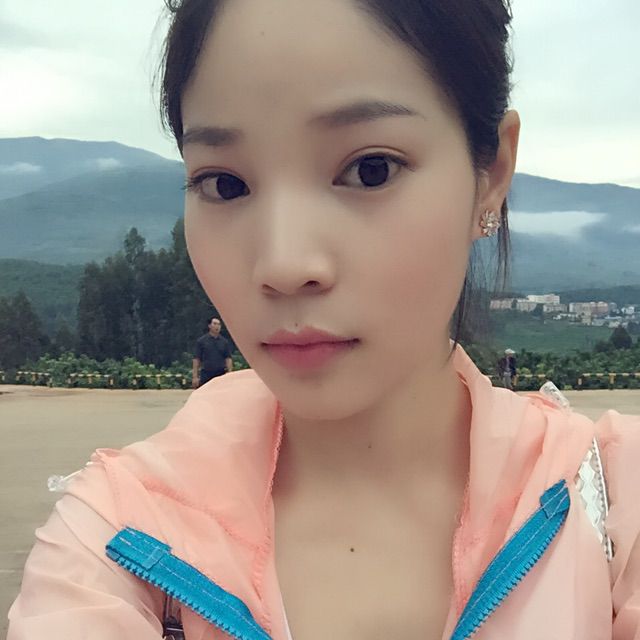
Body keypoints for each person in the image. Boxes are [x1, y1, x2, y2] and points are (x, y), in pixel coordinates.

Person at [8, 1, 640, 638]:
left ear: (493, 172)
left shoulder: (615, 503)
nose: (284, 265)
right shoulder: (117, 544)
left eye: (369, 170)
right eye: (224, 184)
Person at [192, 316, 233, 388]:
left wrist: (230, 374)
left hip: (220, 374)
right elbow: (196, 359)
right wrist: (195, 377)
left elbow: (228, 358)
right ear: (209, 326)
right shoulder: (201, 341)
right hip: (206, 374)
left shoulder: (224, 342)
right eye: (215, 324)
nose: (217, 326)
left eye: (219, 324)